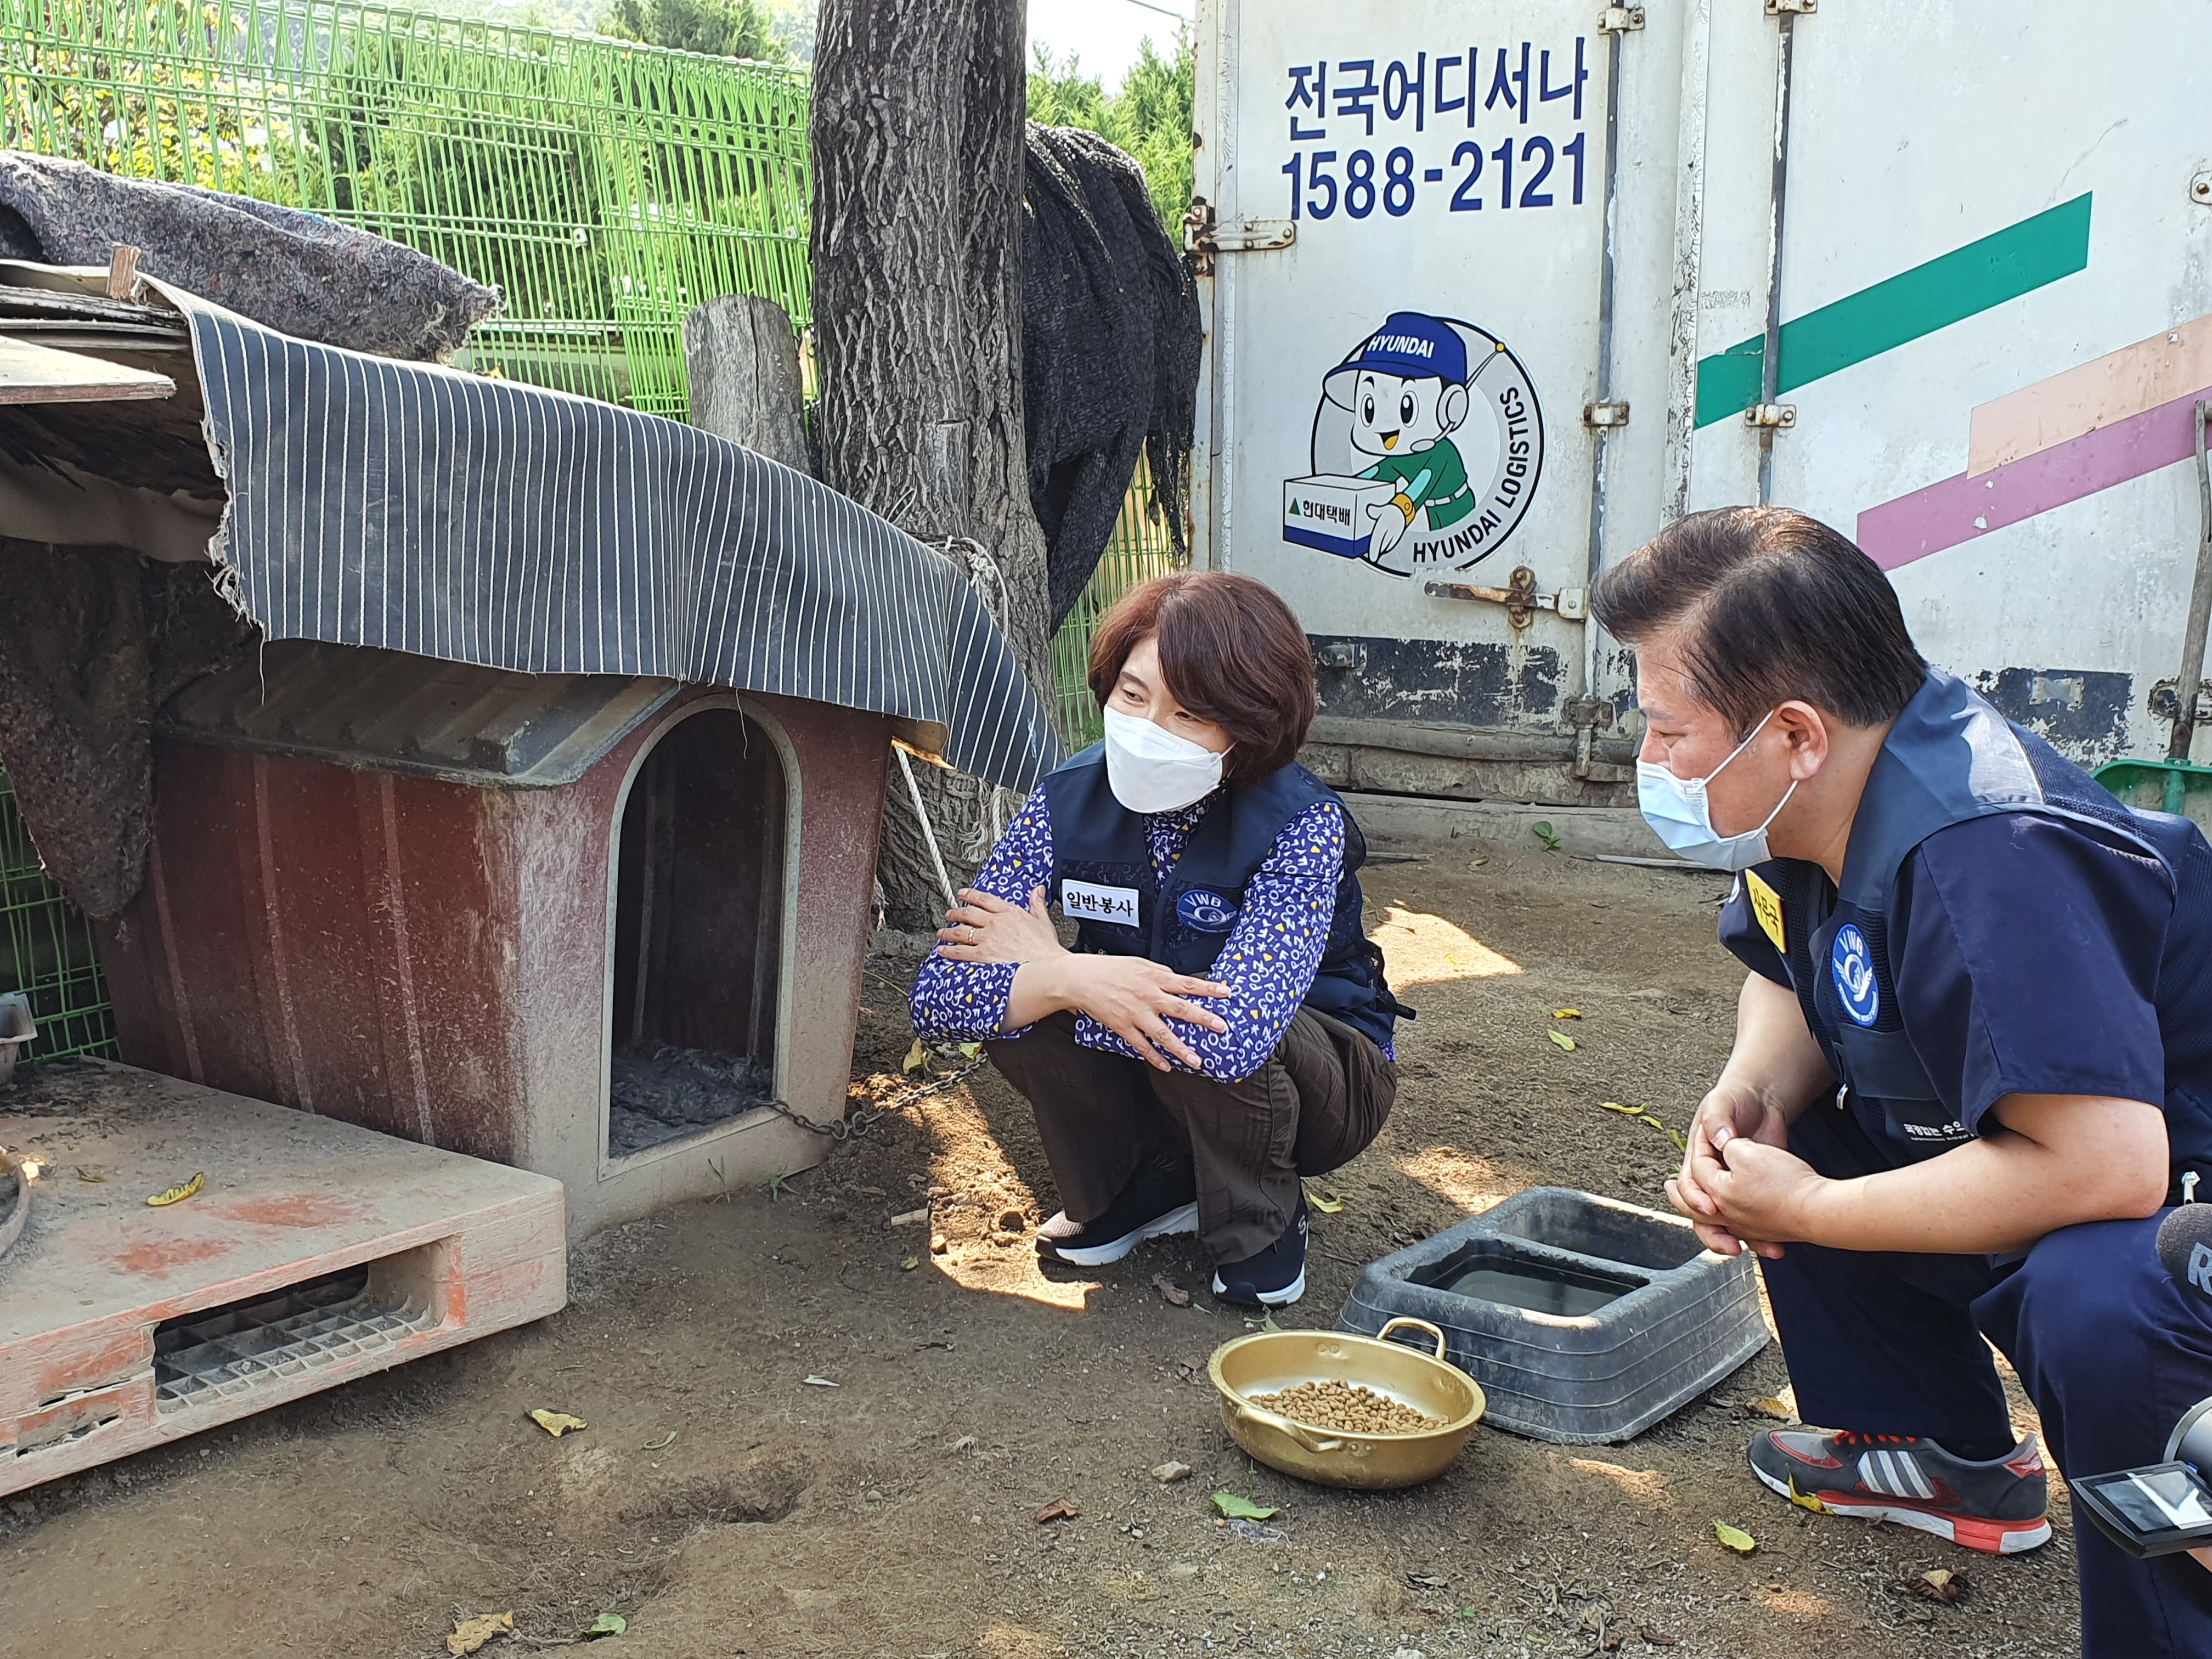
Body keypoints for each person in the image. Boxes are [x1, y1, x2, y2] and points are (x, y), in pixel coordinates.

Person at [1593, 506, 2212, 1656]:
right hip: (2081, 1147)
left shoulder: (1990, 854)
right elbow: (1792, 966)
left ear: (1793, 732)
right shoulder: (1823, 795)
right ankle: (1936, 1452)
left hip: (2180, 1197)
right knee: (1802, 1136)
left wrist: (1813, 1210)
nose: (1653, 762)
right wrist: (1757, 1090)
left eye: (1668, 730)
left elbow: (2111, 1166)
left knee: (2103, 1299)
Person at [907, 571, 1408, 1306]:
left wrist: (1056, 967)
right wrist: (1069, 979)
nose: (1147, 730)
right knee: (1023, 1007)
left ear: (1248, 727)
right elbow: (938, 997)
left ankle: (1262, 1221)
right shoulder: (1064, 798)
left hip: (1323, 1077)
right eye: (1133, 695)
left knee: (1193, 1016)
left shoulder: (1301, 822)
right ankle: (1141, 1187)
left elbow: (1231, 1039)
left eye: (1189, 714)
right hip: (1163, 1055)